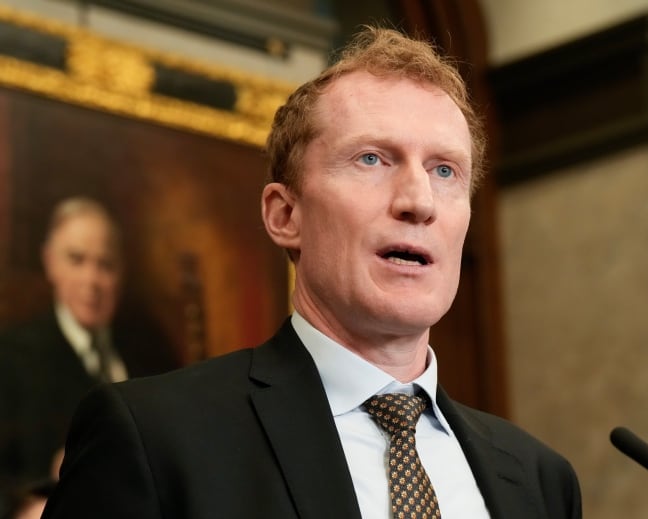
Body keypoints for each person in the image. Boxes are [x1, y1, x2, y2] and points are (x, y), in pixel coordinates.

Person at [41, 27, 582, 518]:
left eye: (445, 170)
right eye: (373, 159)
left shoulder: (538, 481)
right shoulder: (156, 439)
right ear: (285, 215)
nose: (419, 200)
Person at [0, 197, 176, 515]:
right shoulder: (11, 357)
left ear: (121, 273)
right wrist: (22, 507)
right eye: (76, 260)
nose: (91, 281)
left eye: (105, 265)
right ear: (50, 261)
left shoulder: (150, 355)